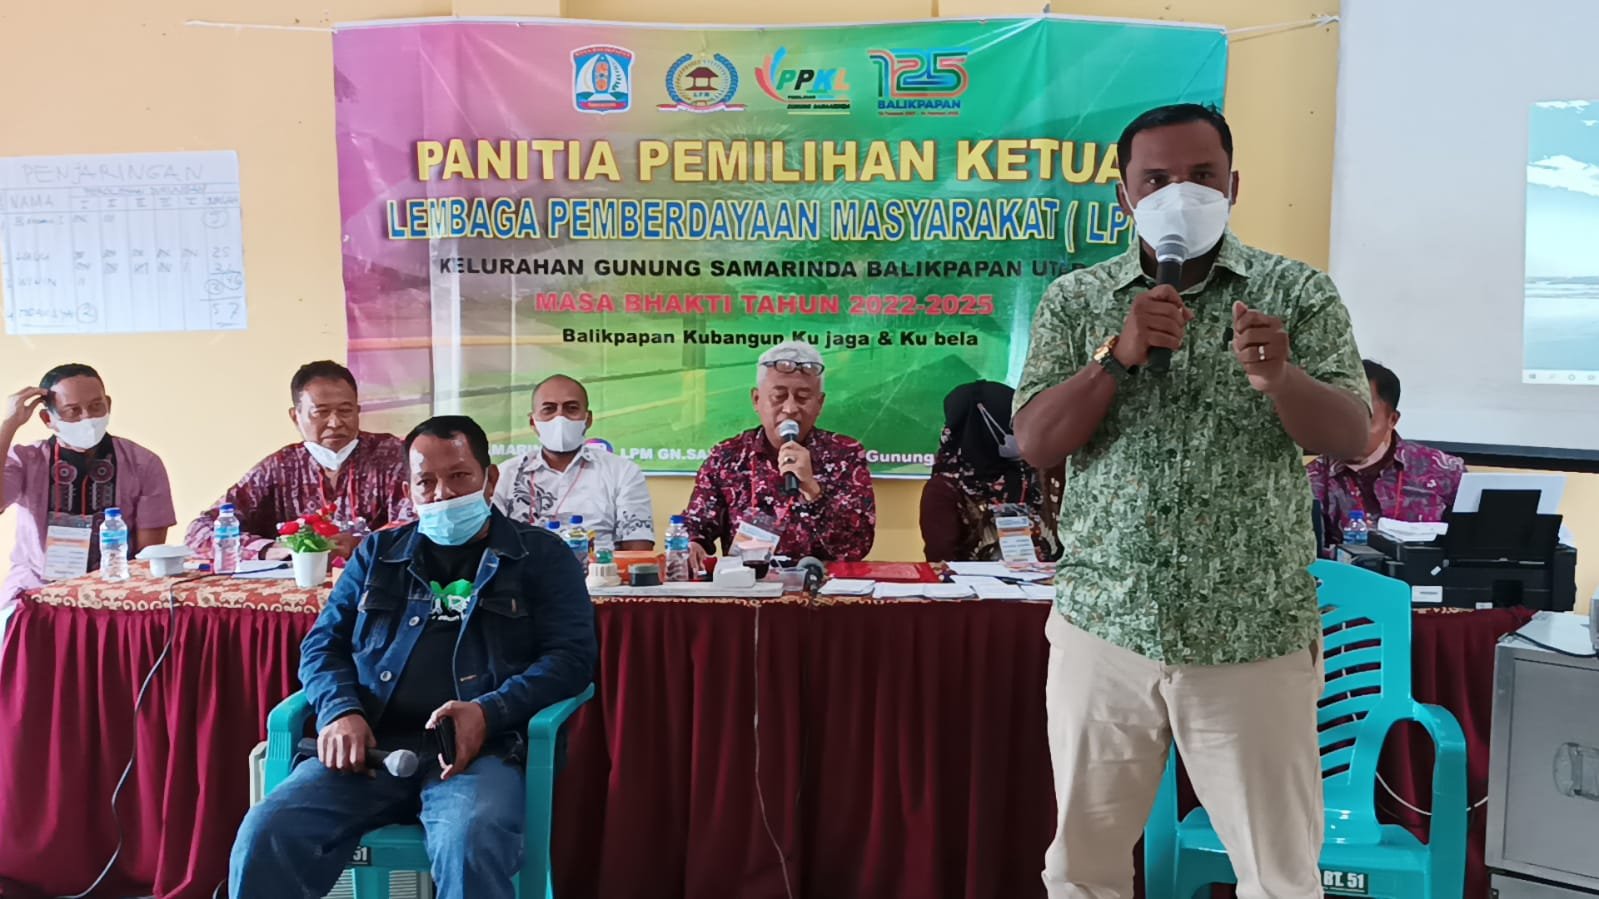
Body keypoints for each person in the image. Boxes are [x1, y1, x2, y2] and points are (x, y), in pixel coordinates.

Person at [1012, 104, 1371, 899]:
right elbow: (1035, 441)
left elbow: (1350, 434)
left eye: (1201, 176)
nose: (1180, 193)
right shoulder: (1077, 299)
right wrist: (1115, 356)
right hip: (1105, 626)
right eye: (1156, 179)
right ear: (1124, 197)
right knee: (1080, 869)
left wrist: (1280, 377)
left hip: (1252, 632)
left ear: (1232, 185)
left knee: (1278, 877)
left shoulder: (1294, 292)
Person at [229, 415, 596, 899]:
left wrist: (489, 712)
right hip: (370, 748)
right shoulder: (378, 553)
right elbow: (322, 645)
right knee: (267, 832)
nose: (443, 494)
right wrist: (340, 710)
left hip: (479, 755)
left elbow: (571, 660)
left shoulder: (542, 557)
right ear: (409, 490)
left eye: (459, 476)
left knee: (470, 841)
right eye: (426, 482)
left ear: (490, 479)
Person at [186, 360, 410, 562]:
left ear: (357, 411)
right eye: (321, 412)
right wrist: (268, 549)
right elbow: (199, 531)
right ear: (296, 416)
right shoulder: (281, 466)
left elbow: (418, 525)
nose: (335, 423)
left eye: (345, 411)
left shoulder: (393, 457)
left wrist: (364, 544)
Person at [682, 340, 875, 566]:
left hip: (823, 584)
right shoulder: (726, 457)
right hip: (749, 583)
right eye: (779, 396)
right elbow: (695, 525)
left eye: (802, 398)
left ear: (819, 404)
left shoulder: (845, 455)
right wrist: (691, 543)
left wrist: (812, 490)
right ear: (756, 400)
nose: (790, 408)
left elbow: (856, 547)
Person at [2, 364, 176, 607]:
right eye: (73, 411)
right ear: (48, 418)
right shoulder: (26, 460)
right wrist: (9, 424)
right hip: (36, 592)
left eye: (96, 406)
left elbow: (147, 556)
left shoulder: (143, 463)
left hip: (116, 596)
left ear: (108, 405)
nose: (87, 418)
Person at [1308, 360, 1465, 541]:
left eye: (1364, 421)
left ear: (1392, 420)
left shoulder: (1444, 471)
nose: (1348, 431)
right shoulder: (1312, 480)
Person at [492, 374, 654, 549]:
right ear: (533, 422)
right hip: (526, 566)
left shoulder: (622, 472)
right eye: (549, 409)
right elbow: (491, 540)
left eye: (571, 408)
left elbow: (638, 548)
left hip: (599, 566)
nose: (560, 417)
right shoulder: (507, 474)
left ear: (588, 419)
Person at [920, 380, 1060, 562]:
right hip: (974, 580)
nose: (1020, 431)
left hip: (1053, 578)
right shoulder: (945, 489)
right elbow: (941, 563)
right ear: (981, 428)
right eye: (1012, 423)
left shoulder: (1037, 471)